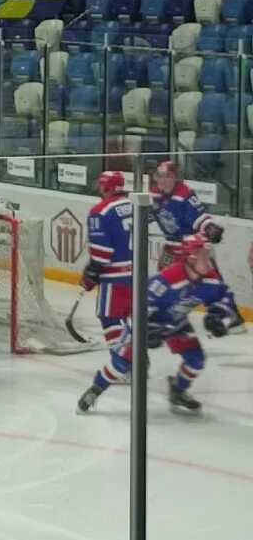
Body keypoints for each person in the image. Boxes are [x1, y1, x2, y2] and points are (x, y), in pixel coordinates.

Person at [77, 235, 231, 415]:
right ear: (190, 258)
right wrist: (144, 331)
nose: (209, 260)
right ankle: (96, 388)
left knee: (196, 360)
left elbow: (223, 295)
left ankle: (178, 391)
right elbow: (138, 308)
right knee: (122, 364)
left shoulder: (210, 278)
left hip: (176, 324)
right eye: (204, 255)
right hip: (148, 322)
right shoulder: (166, 280)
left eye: (209, 254)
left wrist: (217, 315)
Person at [150, 160, 242, 333]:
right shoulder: (153, 194)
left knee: (211, 282)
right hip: (171, 245)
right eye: (159, 176)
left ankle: (231, 315)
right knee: (166, 282)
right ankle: (176, 322)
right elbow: (142, 215)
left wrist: (211, 229)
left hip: (194, 246)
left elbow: (201, 219)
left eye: (167, 176)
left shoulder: (185, 194)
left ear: (175, 178)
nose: (162, 180)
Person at [82, 170, 135, 347]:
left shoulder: (100, 211)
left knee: (110, 319)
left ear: (107, 188)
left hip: (114, 279)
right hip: (137, 275)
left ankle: (125, 361)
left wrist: (90, 273)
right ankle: (136, 360)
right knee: (131, 321)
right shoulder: (135, 204)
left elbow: (102, 253)